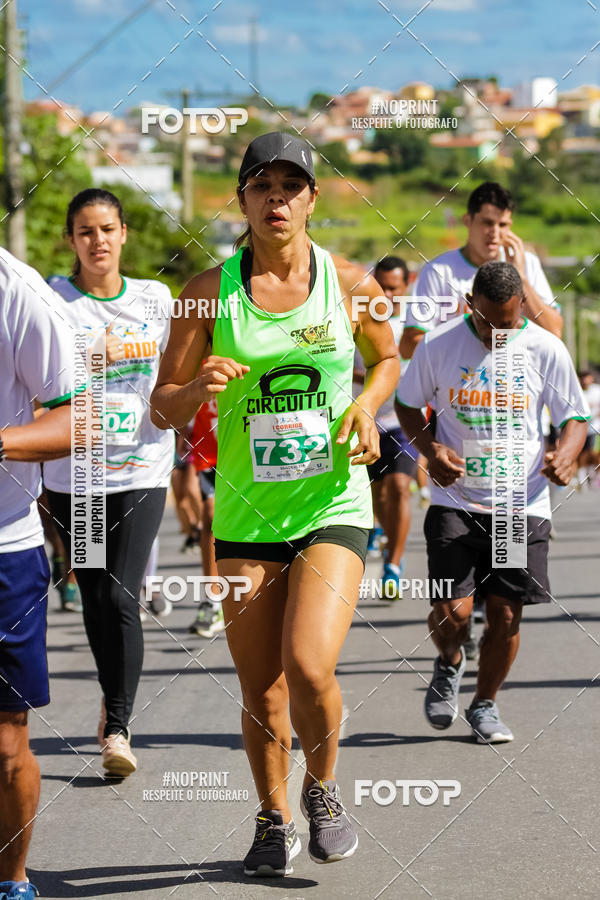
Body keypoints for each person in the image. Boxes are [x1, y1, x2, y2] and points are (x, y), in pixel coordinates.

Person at [151, 131, 400, 876]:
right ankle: (271, 818)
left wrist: (365, 407)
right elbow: (162, 404)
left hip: (332, 502)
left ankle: (323, 792)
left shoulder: (349, 282)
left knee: (308, 665)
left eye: (292, 186)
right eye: (262, 185)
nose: (277, 199)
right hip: (245, 514)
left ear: (313, 199)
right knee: (261, 687)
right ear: (243, 200)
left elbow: (387, 357)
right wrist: (195, 392)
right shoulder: (206, 292)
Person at [396, 261, 588, 743]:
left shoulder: (545, 348)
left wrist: (565, 456)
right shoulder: (439, 345)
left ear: (521, 306)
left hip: (517, 504)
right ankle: (449, 659)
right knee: (452, 613)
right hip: (455, 500)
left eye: (506, 323)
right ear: (469, 306)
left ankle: (485, 705)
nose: (496, 334)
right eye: (485, 323)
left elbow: (576, 418)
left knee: (504, 614)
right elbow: (405, 403)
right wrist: (431, 447)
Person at [43, 188, 175, 777]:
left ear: (124, 235)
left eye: (107, 229)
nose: (98, 241)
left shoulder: (155, 299)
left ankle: (118, 727)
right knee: (95, 598)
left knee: (122, 595)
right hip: (79, 476)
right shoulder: (53, 303)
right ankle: (112, 699)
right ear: (72, 241)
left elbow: (176, 375)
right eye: (85, 231)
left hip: (142, 469)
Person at [0, 247, 74, 900]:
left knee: (5, 744)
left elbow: (76, 418)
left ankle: (13, 879)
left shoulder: (21, 295)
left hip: (7, 551)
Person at [399, 181, 562, 360]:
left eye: (503, 225)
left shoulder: (527, 263)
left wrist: (521, 279)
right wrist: (472, 352)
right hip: (458, 384)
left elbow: (553, 332)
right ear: (467, 221)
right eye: (487, 222)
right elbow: (409, 346)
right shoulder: (438, 271)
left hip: (514, 380)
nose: (495, 232)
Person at [353, 256, 418, 597]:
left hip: (402, 422)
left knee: (398, 488)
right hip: (364, 420)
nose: (388, 294)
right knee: (376, 492)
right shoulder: (356, 314)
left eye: (394, 287)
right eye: (382, 286)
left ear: (406, 286)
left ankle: (393, 562)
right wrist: (377, 376)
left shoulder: (414, 324)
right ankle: (380, 532)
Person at [187, 397, 223, 638]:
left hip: (247, 445)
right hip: (209, 451)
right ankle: (212, 600)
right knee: (209, 515)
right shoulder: (193, 358)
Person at [576, 370, 600, 487]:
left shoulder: (597, 391)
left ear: (591, 379)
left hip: (595, 428)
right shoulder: (576, 391)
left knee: (593, 453)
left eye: (587, 378)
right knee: (581, 453)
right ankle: (582, 477)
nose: (585, 381)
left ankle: (593, 474)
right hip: (579, 428)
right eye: (582, 379)